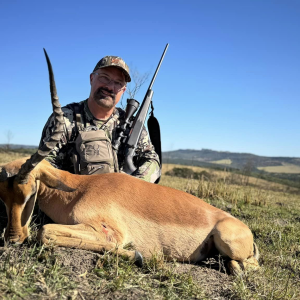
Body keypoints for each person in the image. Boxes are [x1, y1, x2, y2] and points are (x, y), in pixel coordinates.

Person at [39, 55, 161, 183]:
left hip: (119, 197)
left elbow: (152, 159)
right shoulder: (64, 118)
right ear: (92, 78)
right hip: (72, 197)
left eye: (118, 83)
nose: (110, 87)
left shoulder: (131, 124)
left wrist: (135, 184)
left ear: (123, 90)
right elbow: (45, 164)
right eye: (105, 78)